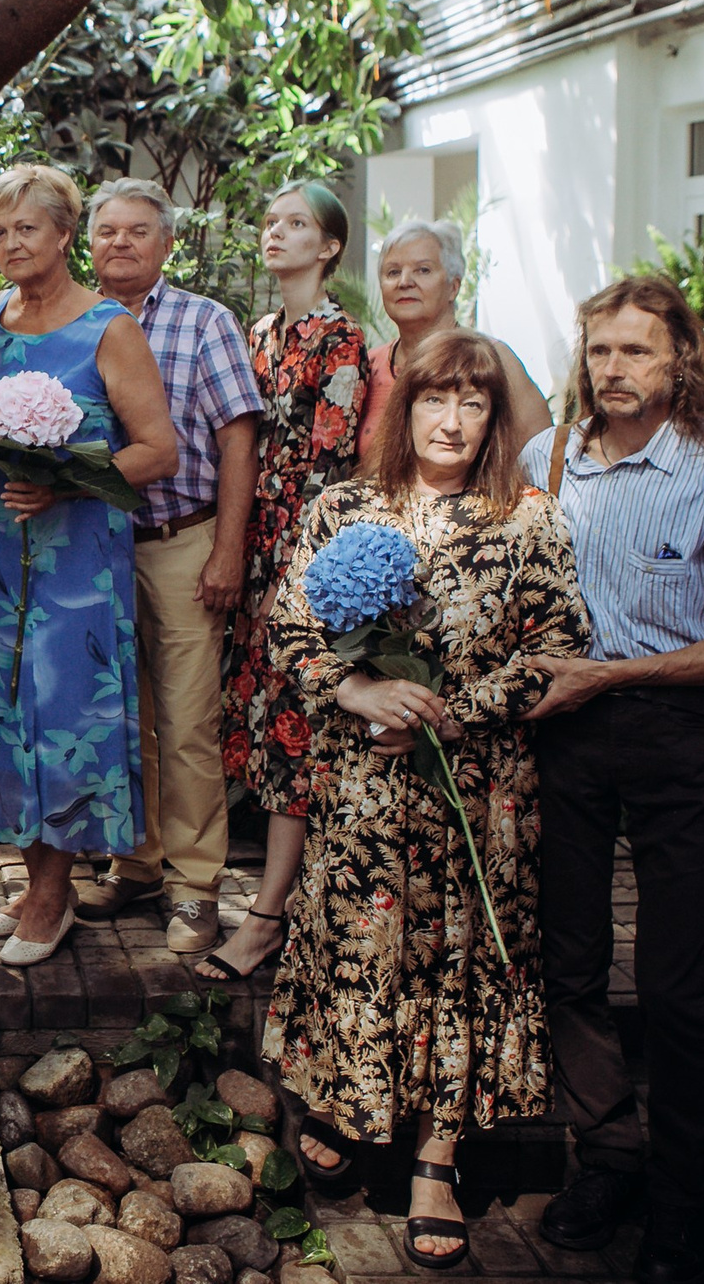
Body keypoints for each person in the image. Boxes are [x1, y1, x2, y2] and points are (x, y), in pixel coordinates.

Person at [262, 330, 590, 1269]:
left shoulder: (529, 518)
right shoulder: (344, 508)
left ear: (494, 419)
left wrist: (447, 716)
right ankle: (349, 1100)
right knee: (361, 943)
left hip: (477, 792)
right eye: (434, 400)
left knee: (457, 959)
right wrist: (358, 690)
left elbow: (556, 654)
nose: (451, 420)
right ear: (403, 410)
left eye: (472, 403)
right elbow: (290, 628)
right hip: (364, 787)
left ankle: (437, 1161)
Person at [519, 277, 704, 1284]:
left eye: (635, 351)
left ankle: (681, 1204)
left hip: (680, 736)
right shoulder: (542, 460)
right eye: (600, 351)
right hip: (564, 739)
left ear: (681, 360)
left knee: (675, 984)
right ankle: (607, 1160)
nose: (613, 369)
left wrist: (617, 672)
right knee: (570, 965)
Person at [0, 166, 180, 967]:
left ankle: (54, 900)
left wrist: (64, 481)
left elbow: (160, 448)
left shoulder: (108, 328)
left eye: (28, 228)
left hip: (78, 559)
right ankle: (31, 880)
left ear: (64, 235)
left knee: (60, 716)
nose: (13, 243)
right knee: (9, 713)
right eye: (0, 231)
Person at [73, 180, 264, 957]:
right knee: (125, 718)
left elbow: (238, 440)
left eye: (138, 231)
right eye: (107, 230)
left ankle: (194, 888)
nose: (120, 243)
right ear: (87, 242)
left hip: (181, 539)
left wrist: (227, 549)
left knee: (187, 722)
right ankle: (137, 862)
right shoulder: (76, 320)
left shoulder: (202, 321)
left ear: (167, 244)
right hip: (94, 545)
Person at [204, 180, 368, 983]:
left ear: (329, 246)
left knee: (291, 732)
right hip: (248, 544)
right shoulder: (258, 331)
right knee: (256, 724)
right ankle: (278, 900)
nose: (277, 233)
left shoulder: (341, 340)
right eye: (270, 222)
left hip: (298, 557)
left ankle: (268, 917)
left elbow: (330, 468)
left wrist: (288, 581)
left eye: (296, 224)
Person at [361, 219, 552, 461]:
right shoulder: (369, 365)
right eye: (393, 272)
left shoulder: (494, 359)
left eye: (423, 270)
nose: (405, 282)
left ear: (454, 286)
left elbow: (542, 455)